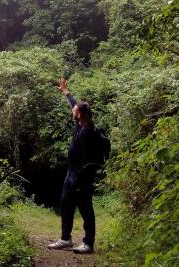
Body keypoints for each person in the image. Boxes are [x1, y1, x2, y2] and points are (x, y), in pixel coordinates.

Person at [47, 78, 103, 254]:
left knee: (86, 208)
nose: (72, 110)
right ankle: (65, 239)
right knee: (66, 203)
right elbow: (75, 104)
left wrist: (80, 179)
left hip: (81, 177)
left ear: (79, 114)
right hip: (71, 174)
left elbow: (88, 160)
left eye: (75, 110)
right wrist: (66, 92)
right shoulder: (80, 123)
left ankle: (88, 244)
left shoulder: (87, 132)